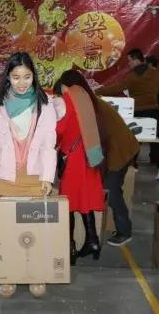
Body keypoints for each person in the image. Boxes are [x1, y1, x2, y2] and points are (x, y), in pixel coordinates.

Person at [0, 52, 56, 297]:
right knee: (8, 229)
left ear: (34, 76)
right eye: (16, 77)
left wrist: (47, 177)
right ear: (8, 77)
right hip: (6, 175)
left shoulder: (45, 104)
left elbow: (49, 144)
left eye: (27, 77)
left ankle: (36, 274)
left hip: (34, 176)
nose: (22, 83)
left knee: (36, 230)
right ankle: (9, 274)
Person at [53, 70, 106, 265]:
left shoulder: (69, 97)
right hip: (89, 155)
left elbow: (60, 129)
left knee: (66, 202)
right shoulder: (84, 96)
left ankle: (70, 248)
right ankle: (92, 241)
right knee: (84, 199)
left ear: (65, 85)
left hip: (74, 157)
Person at [96, 48, 159, 179]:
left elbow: (117, 88)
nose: (128, 64)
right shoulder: (156, 73)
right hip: (154, 110)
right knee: (154, 138)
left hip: (138, 109)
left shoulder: (133, 75)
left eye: (129, 61)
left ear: (136, 60)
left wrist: (97, 91)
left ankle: (132, 166)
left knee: (133, 139)